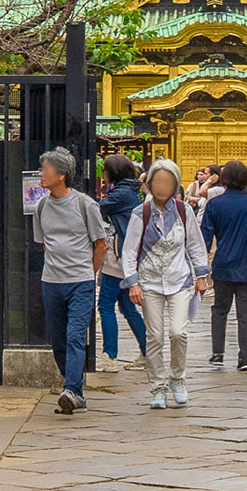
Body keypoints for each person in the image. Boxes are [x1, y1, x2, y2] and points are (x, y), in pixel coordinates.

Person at [120, 160, 210, 409]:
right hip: (149, 281)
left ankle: (178, 378)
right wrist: (132, 283)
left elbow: (195, 243)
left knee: (178, 332)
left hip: (179, 279)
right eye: (157, 181)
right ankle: (157, 387)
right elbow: (129, 251)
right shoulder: (141, 213)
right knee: (155, 336)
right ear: (149, 184)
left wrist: (201, 275)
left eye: (168, 181)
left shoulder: (183, 211)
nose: (162, 186)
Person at [32, 147, 107, 415]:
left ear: (61, 175)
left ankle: (72, 389)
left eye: (45, 169)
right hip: (51, 281)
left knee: (76, 335)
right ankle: (73, 389)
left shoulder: (84, 204)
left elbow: (101, 243)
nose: (41, 174)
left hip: (80, 282)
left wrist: (90, 273)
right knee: (58, 339)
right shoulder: (41, 206)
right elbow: (44, 244)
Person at [201, 160, 247, 371]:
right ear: (246, 180)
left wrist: (200, 267)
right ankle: (244, 357)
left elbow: (206, 237)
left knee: (219, 309)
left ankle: (218, 353)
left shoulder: (214, 204)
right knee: (246, 313)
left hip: (223, 265)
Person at [96, 155, 148, 362]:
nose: (104, 174)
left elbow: (99, 206)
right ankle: (148, 352)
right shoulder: (131, 191)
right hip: (127, 254)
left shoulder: (120, 194)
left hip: (118, 255)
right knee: (127, 307)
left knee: (106, 305)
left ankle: (110, 355)